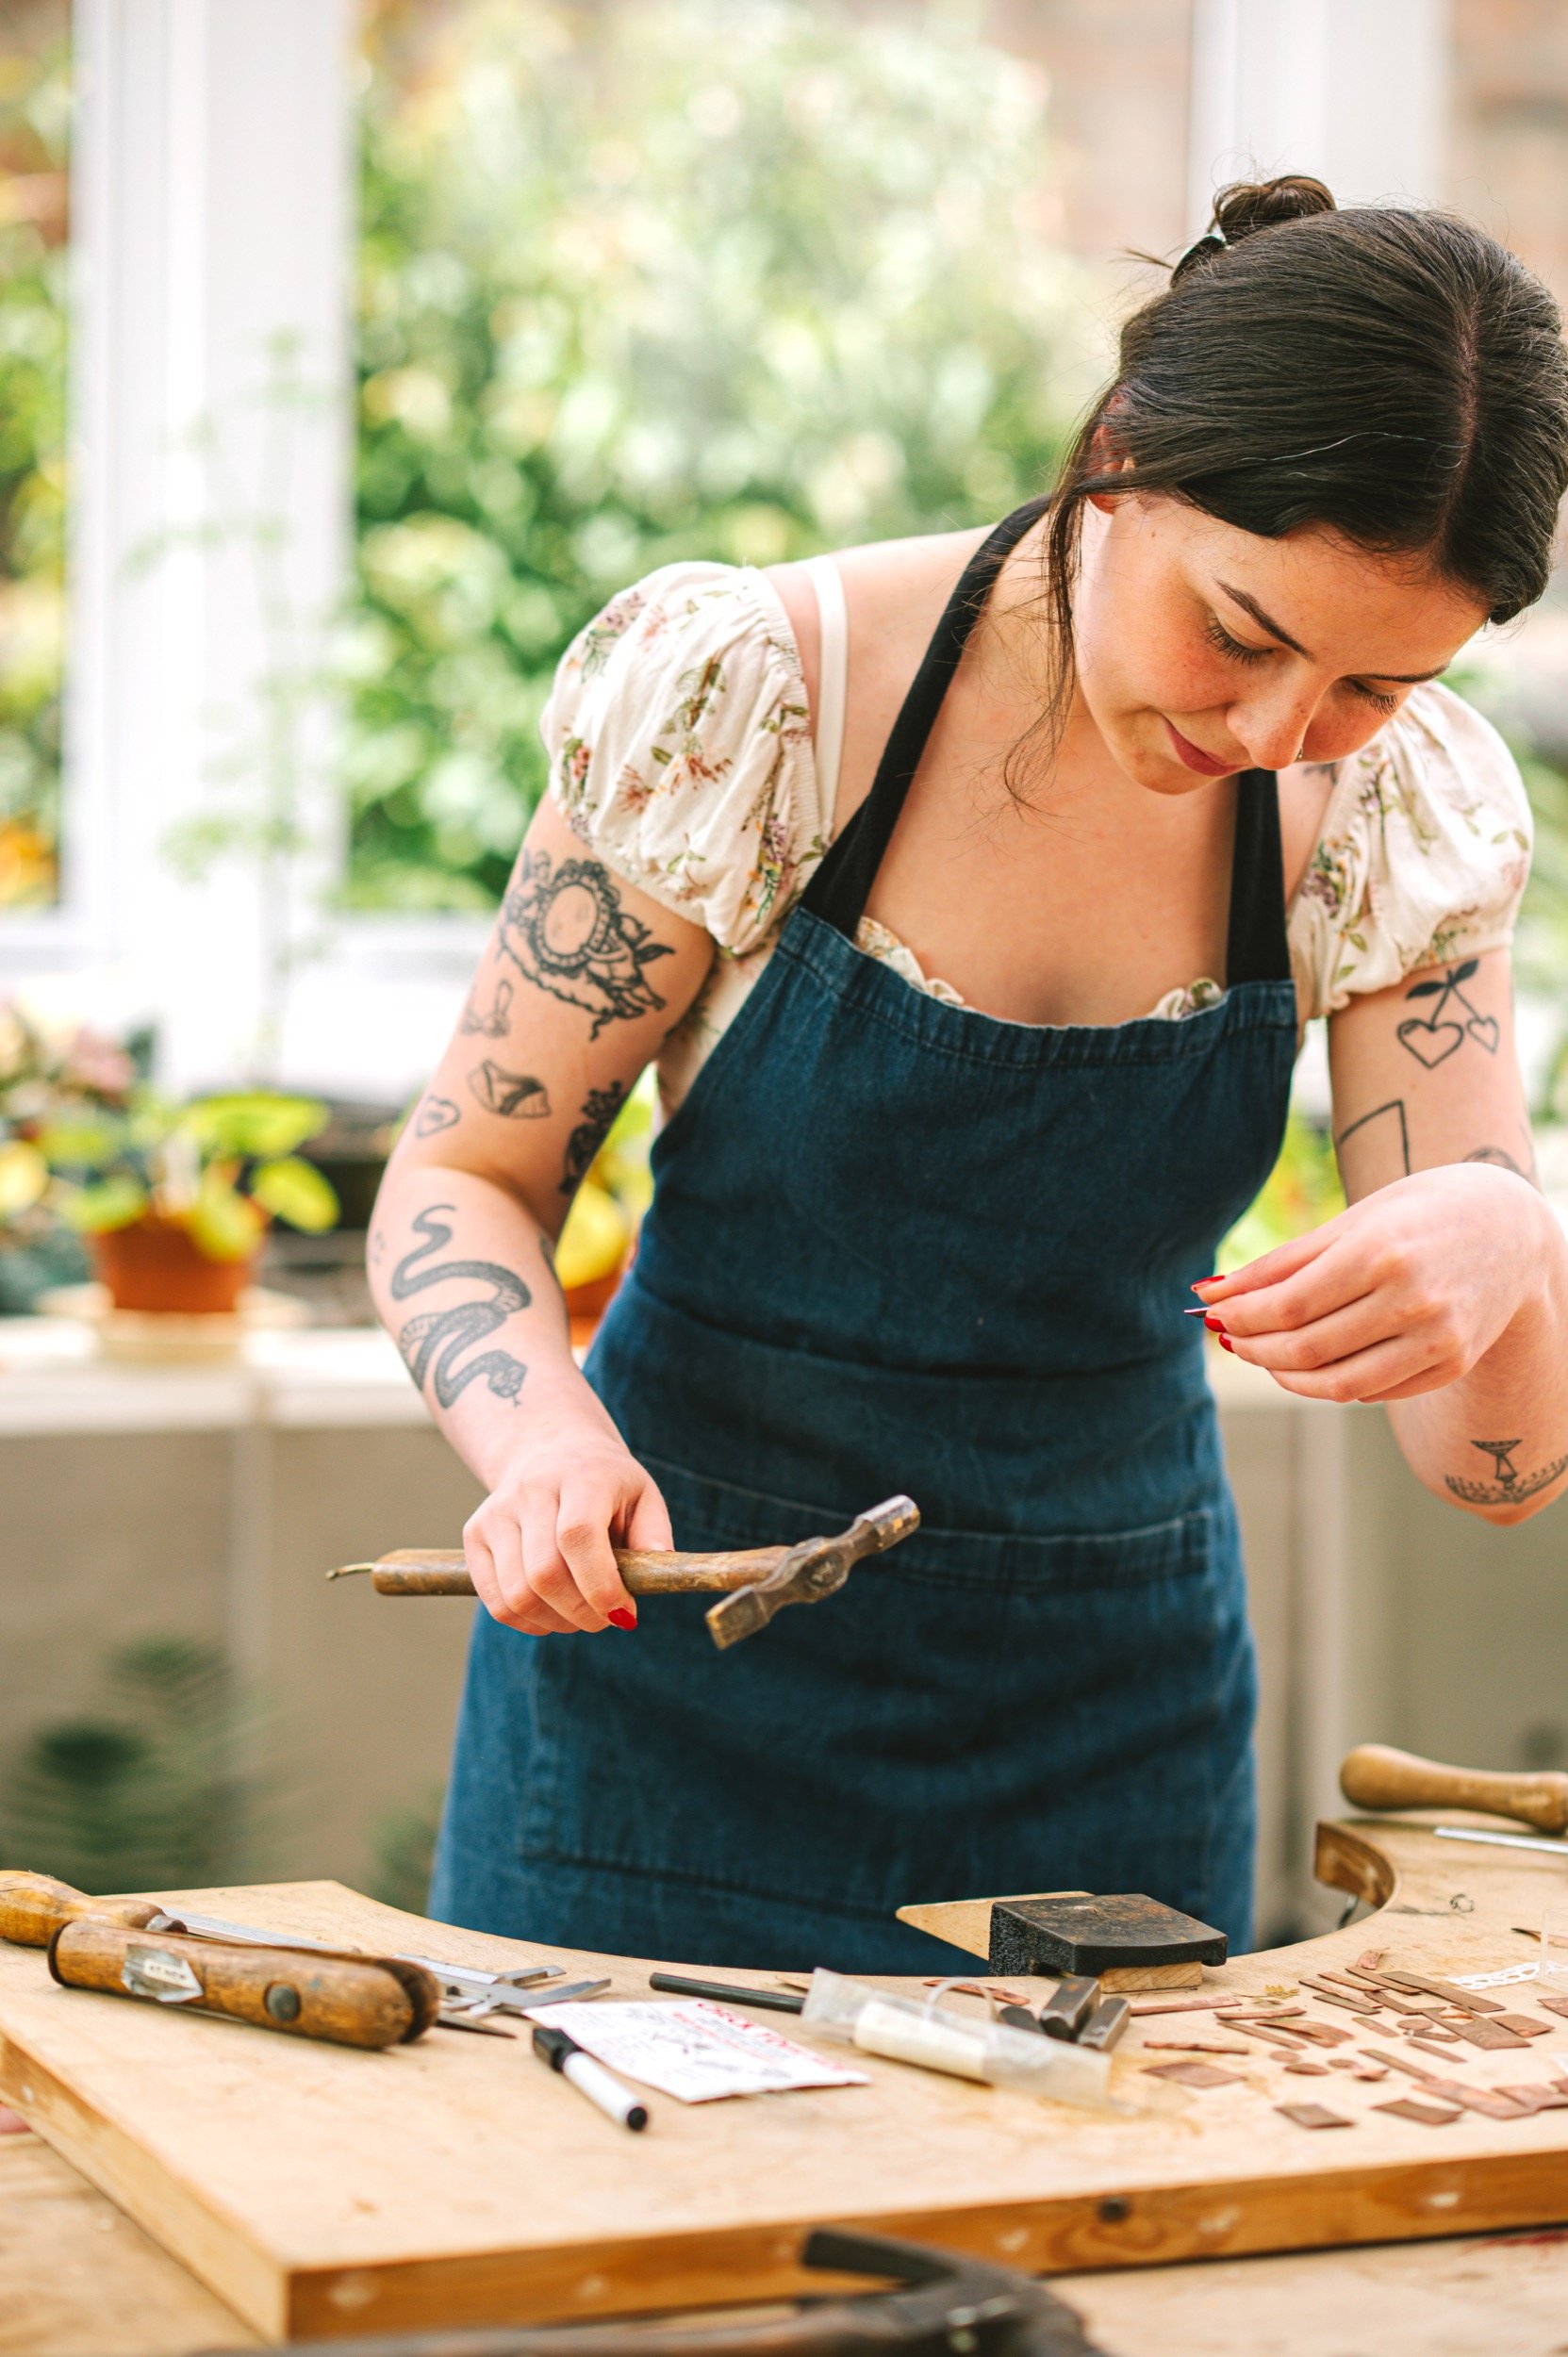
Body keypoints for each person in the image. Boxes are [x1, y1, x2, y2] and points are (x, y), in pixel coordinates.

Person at [370, 178, 1568, 1970]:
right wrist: (539, 1442)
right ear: (1116, 458)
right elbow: (467, 1176)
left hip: (1109, 1726)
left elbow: (1493, 1472)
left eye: (1371, 684)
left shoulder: (1394, 819)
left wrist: (1518, 1239)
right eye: (1239, 633)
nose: (1270, 735)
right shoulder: (759, 700)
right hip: (669, 1693)